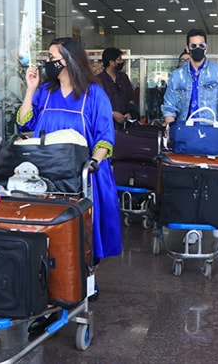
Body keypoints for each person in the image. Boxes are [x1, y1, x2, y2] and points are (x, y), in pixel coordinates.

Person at [17, 37, 122, 262]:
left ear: (68, 60)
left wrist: (92, 164)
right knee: (50, 227)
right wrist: (30, 89)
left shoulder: (94, 94)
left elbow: (105, 137)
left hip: (83, 175)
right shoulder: (45, 91)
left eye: (52, 57)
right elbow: (25, 124)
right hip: (48, 173)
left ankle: (87, 277)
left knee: (83, 230)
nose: (48, 61)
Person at [162, 28, 218, 133]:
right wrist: (170, 130)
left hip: (212, 131)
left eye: (201, 45)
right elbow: (169, 107)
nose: (197, 48)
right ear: (187, 48)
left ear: (206, 48)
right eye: (193, 46)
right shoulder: (176, 76)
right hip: (184, 131)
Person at [97, 47, 139, 127]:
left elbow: (131, 98)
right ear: (111, 62)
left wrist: (130, 113)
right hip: (106, 125)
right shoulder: (98, 80)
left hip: (125, 125)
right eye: (119, 59)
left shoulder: (123, 78)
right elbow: (96, 105)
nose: (122, 62)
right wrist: (112, 114)